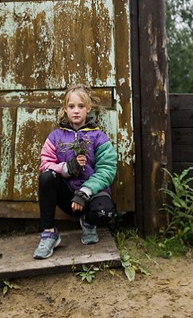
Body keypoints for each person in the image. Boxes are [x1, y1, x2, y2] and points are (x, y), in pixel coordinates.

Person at [33, 84, 118, 260]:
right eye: (71, 106)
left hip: (90, 196)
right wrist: (66, 169)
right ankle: (49, 233)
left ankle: (88, 222)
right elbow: (45, 164)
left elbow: (107, 170)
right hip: (68, 198)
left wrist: (85, 192)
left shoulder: (98, 137)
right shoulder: (55, 137)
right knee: (46, 178)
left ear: (88, 109)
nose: (76, 111)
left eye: (81, 106)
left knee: (105, 211)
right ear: (65, 109)